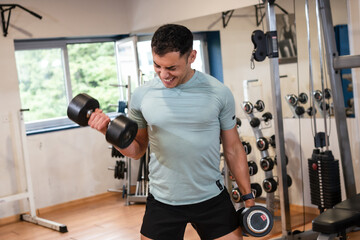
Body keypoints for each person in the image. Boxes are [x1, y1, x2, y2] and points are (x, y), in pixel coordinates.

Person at [88, 24, 254, 240]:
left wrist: (249, 200)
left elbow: (233, 148)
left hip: (211, 197)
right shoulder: (142, 95)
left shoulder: (218, 93)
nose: (163, 74)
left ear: (191, 56)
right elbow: (137, 150)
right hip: (164, 200)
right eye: (157, 66)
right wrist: (106, 131)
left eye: (172, 68)